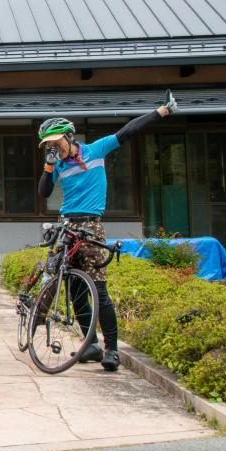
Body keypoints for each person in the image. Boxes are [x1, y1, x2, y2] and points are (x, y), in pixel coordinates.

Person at [37, 90, 180, 372]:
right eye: (48, 145)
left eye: (56, 142)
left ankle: (111, 349)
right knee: (76, 289)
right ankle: (90, 345)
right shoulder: (56, 164)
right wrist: (49, 165)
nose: (54, 147)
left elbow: (127, 132)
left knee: (99, 291)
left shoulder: (95, 150)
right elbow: (43, 192)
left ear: (69, 136)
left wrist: (161, 112)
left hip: (91, 226)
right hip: (67, 225)